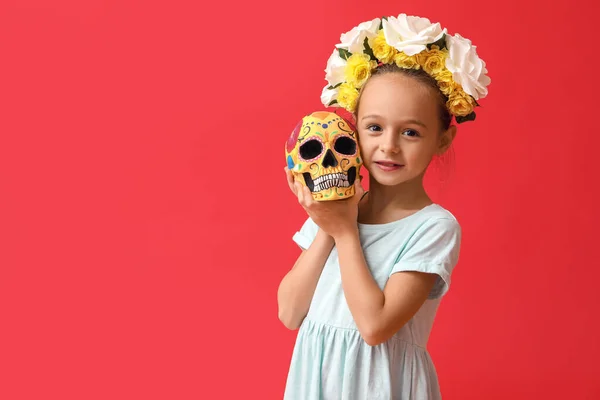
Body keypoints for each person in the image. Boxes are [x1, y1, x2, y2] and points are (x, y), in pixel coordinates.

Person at [277, 13, 491, 399]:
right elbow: (290, 313)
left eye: (410, 132)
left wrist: (344, 231)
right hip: (316, 384)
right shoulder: (337, 210)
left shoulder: (434, 227)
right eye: (374, 127)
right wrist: (330, 222)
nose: (388, 146)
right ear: (353, 126)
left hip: (381, 386)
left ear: (442, 140)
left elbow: (374, 327)